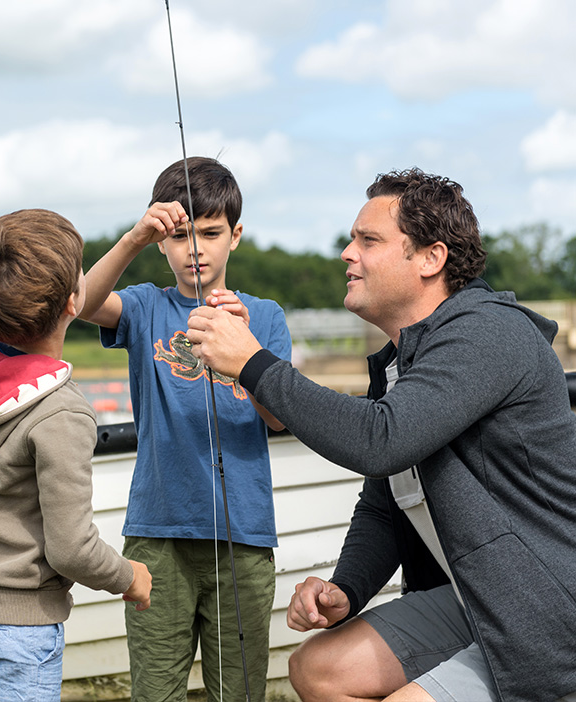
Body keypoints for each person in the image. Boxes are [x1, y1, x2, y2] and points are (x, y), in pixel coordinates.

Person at [186, 168, 576, 702]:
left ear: (431, 258)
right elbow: (387, 500)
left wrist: (253, 364)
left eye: (368, 241)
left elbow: (379, 440)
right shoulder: (404, 361)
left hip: (543, 608)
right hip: (475, 598)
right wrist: (346, 589)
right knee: (318, 670)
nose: (347, 253)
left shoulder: (488, 332)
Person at [78, 156, 292, 701]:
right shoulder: (146, 307)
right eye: (179, 236)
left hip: (242, 537)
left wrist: (250, 357)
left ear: (236, 236)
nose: (195, 248)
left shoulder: (264, 317)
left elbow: (280, 418)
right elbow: (79, 302)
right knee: (155, 691)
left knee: (238, 692)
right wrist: (132, 239)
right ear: (161, 243)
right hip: (157, 536)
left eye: (211, 234)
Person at [0, 209, 152, 702]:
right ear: (75, 301)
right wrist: (127, 576)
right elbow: (71, 549)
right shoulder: (61, 413)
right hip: (20, 625)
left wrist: (134, 240)